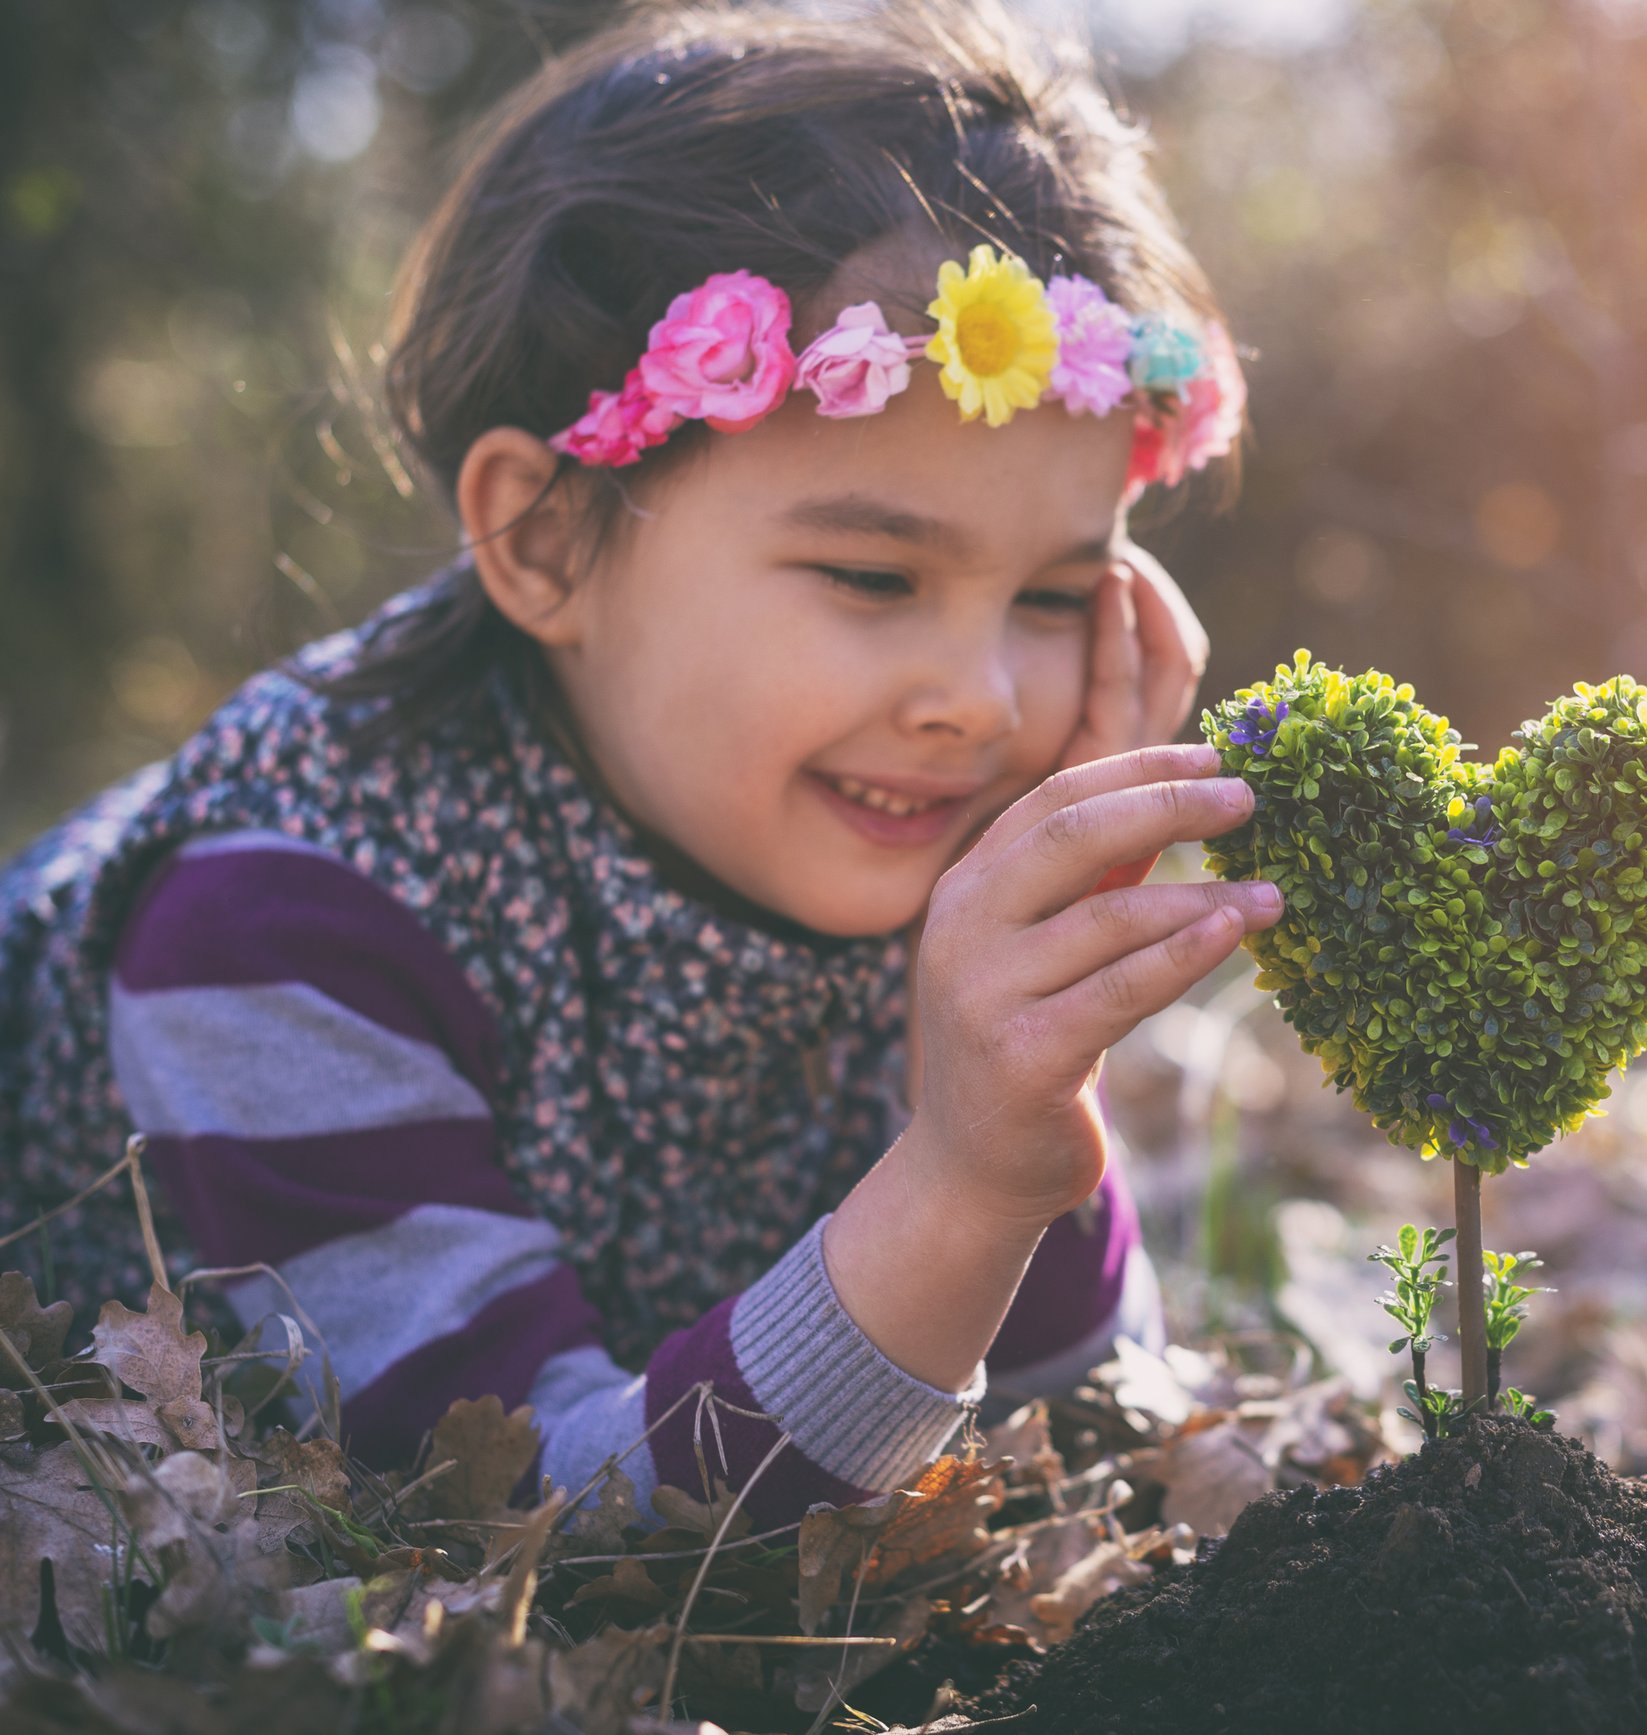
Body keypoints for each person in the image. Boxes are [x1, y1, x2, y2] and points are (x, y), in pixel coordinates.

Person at [0, 0, 1274, 1527]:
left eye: (1057, 597)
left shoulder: (905, 827)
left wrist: (1031, 1095)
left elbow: (1068, 1426)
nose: (983, 698)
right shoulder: (274, 932)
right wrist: (955, 1190)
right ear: (545, 542)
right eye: (874, 579)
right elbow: (536, 1533)